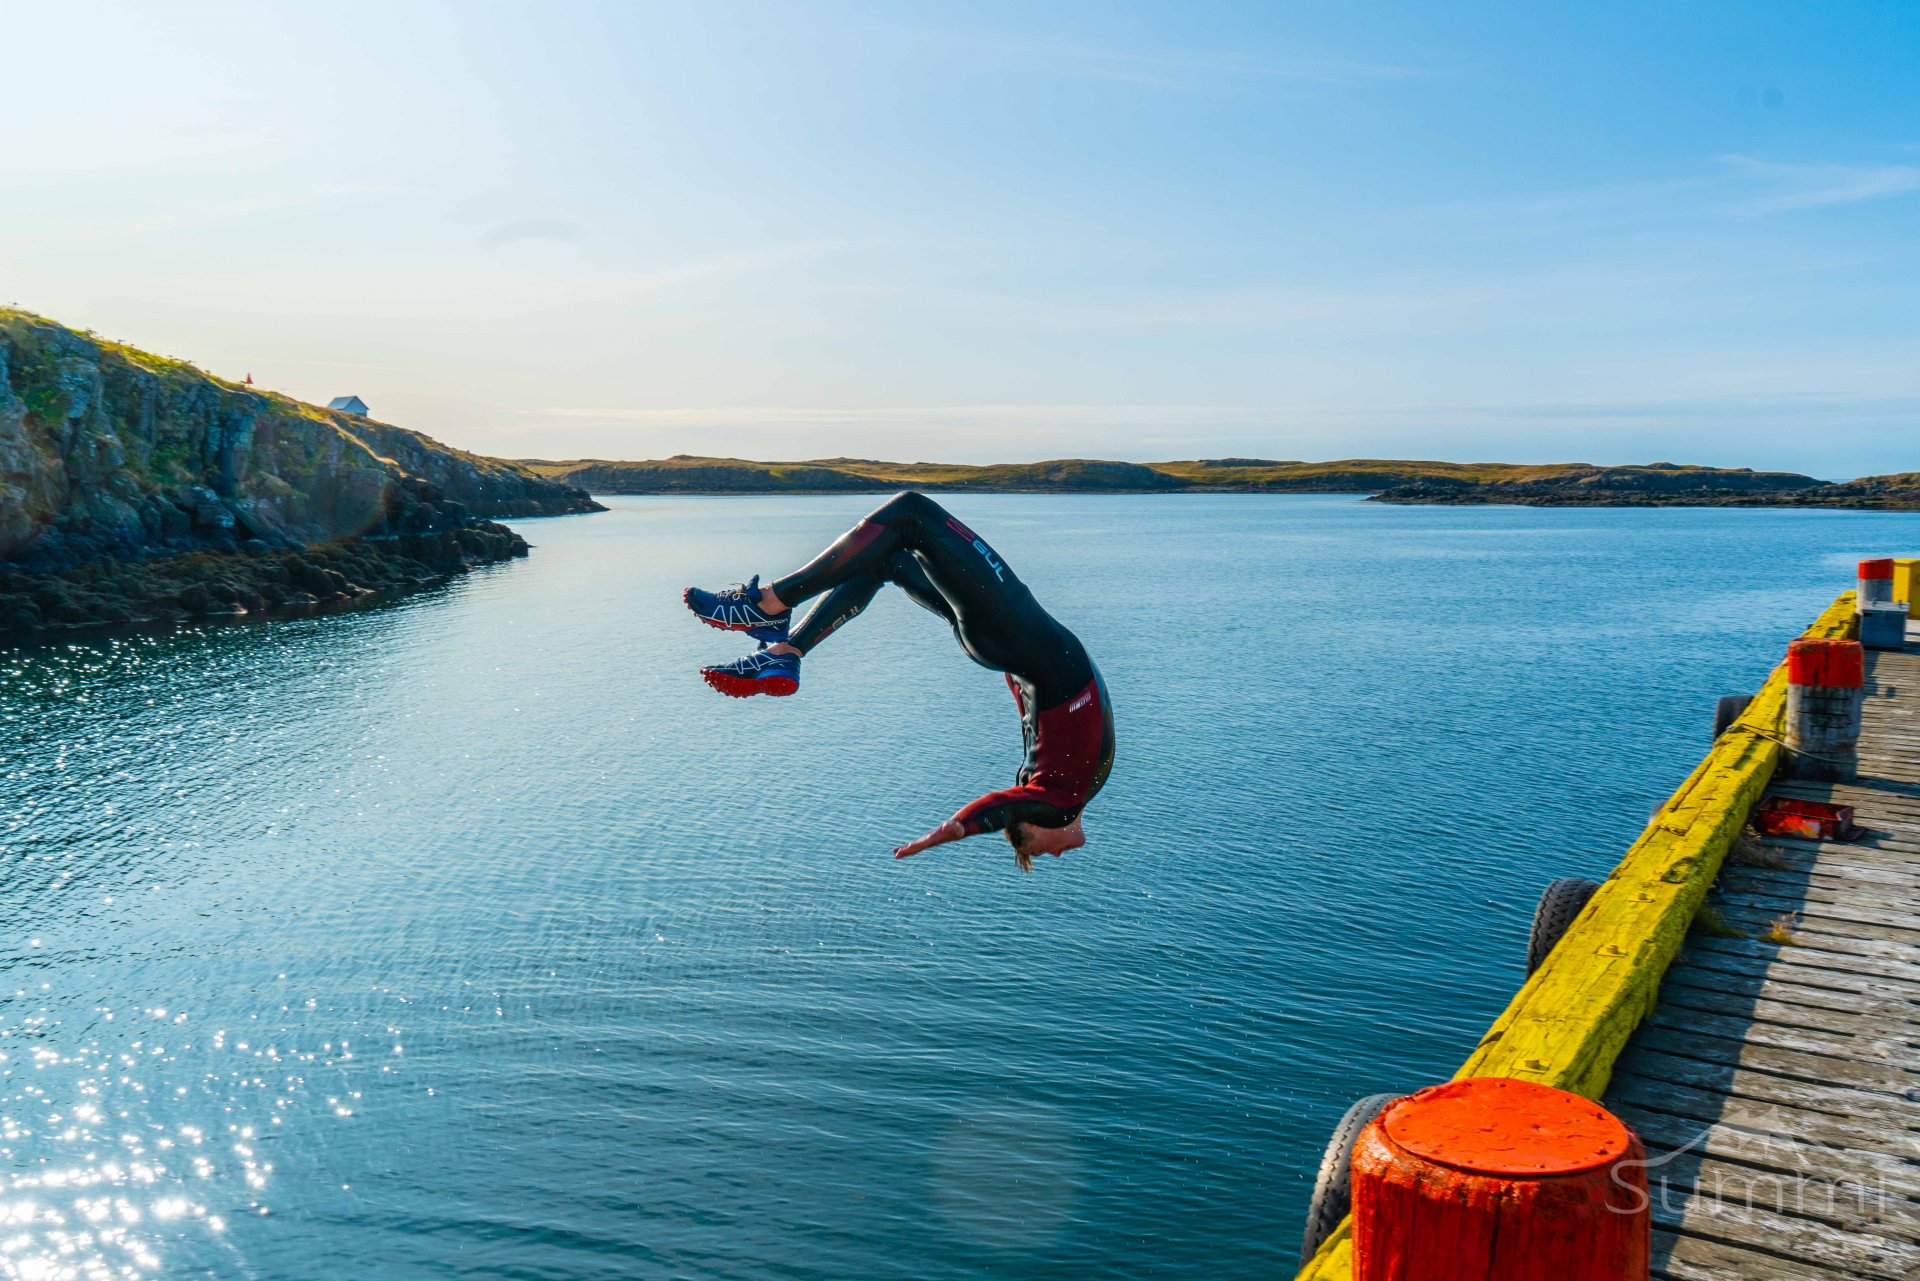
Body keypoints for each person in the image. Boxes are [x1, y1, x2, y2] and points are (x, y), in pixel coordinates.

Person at [683, 491, 1114, 871]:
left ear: (1032, 821)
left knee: (913, 513)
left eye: (1037, 851)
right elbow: (1033, 713)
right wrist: (1017, 668)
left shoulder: (1059, 803)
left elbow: (999, 809)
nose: (1055, 855)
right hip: (1010, 643)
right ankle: (786, 653)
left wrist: (948, 833)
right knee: (888, 559)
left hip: (1013, 633)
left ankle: (769, 604)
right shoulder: (1075, 787)